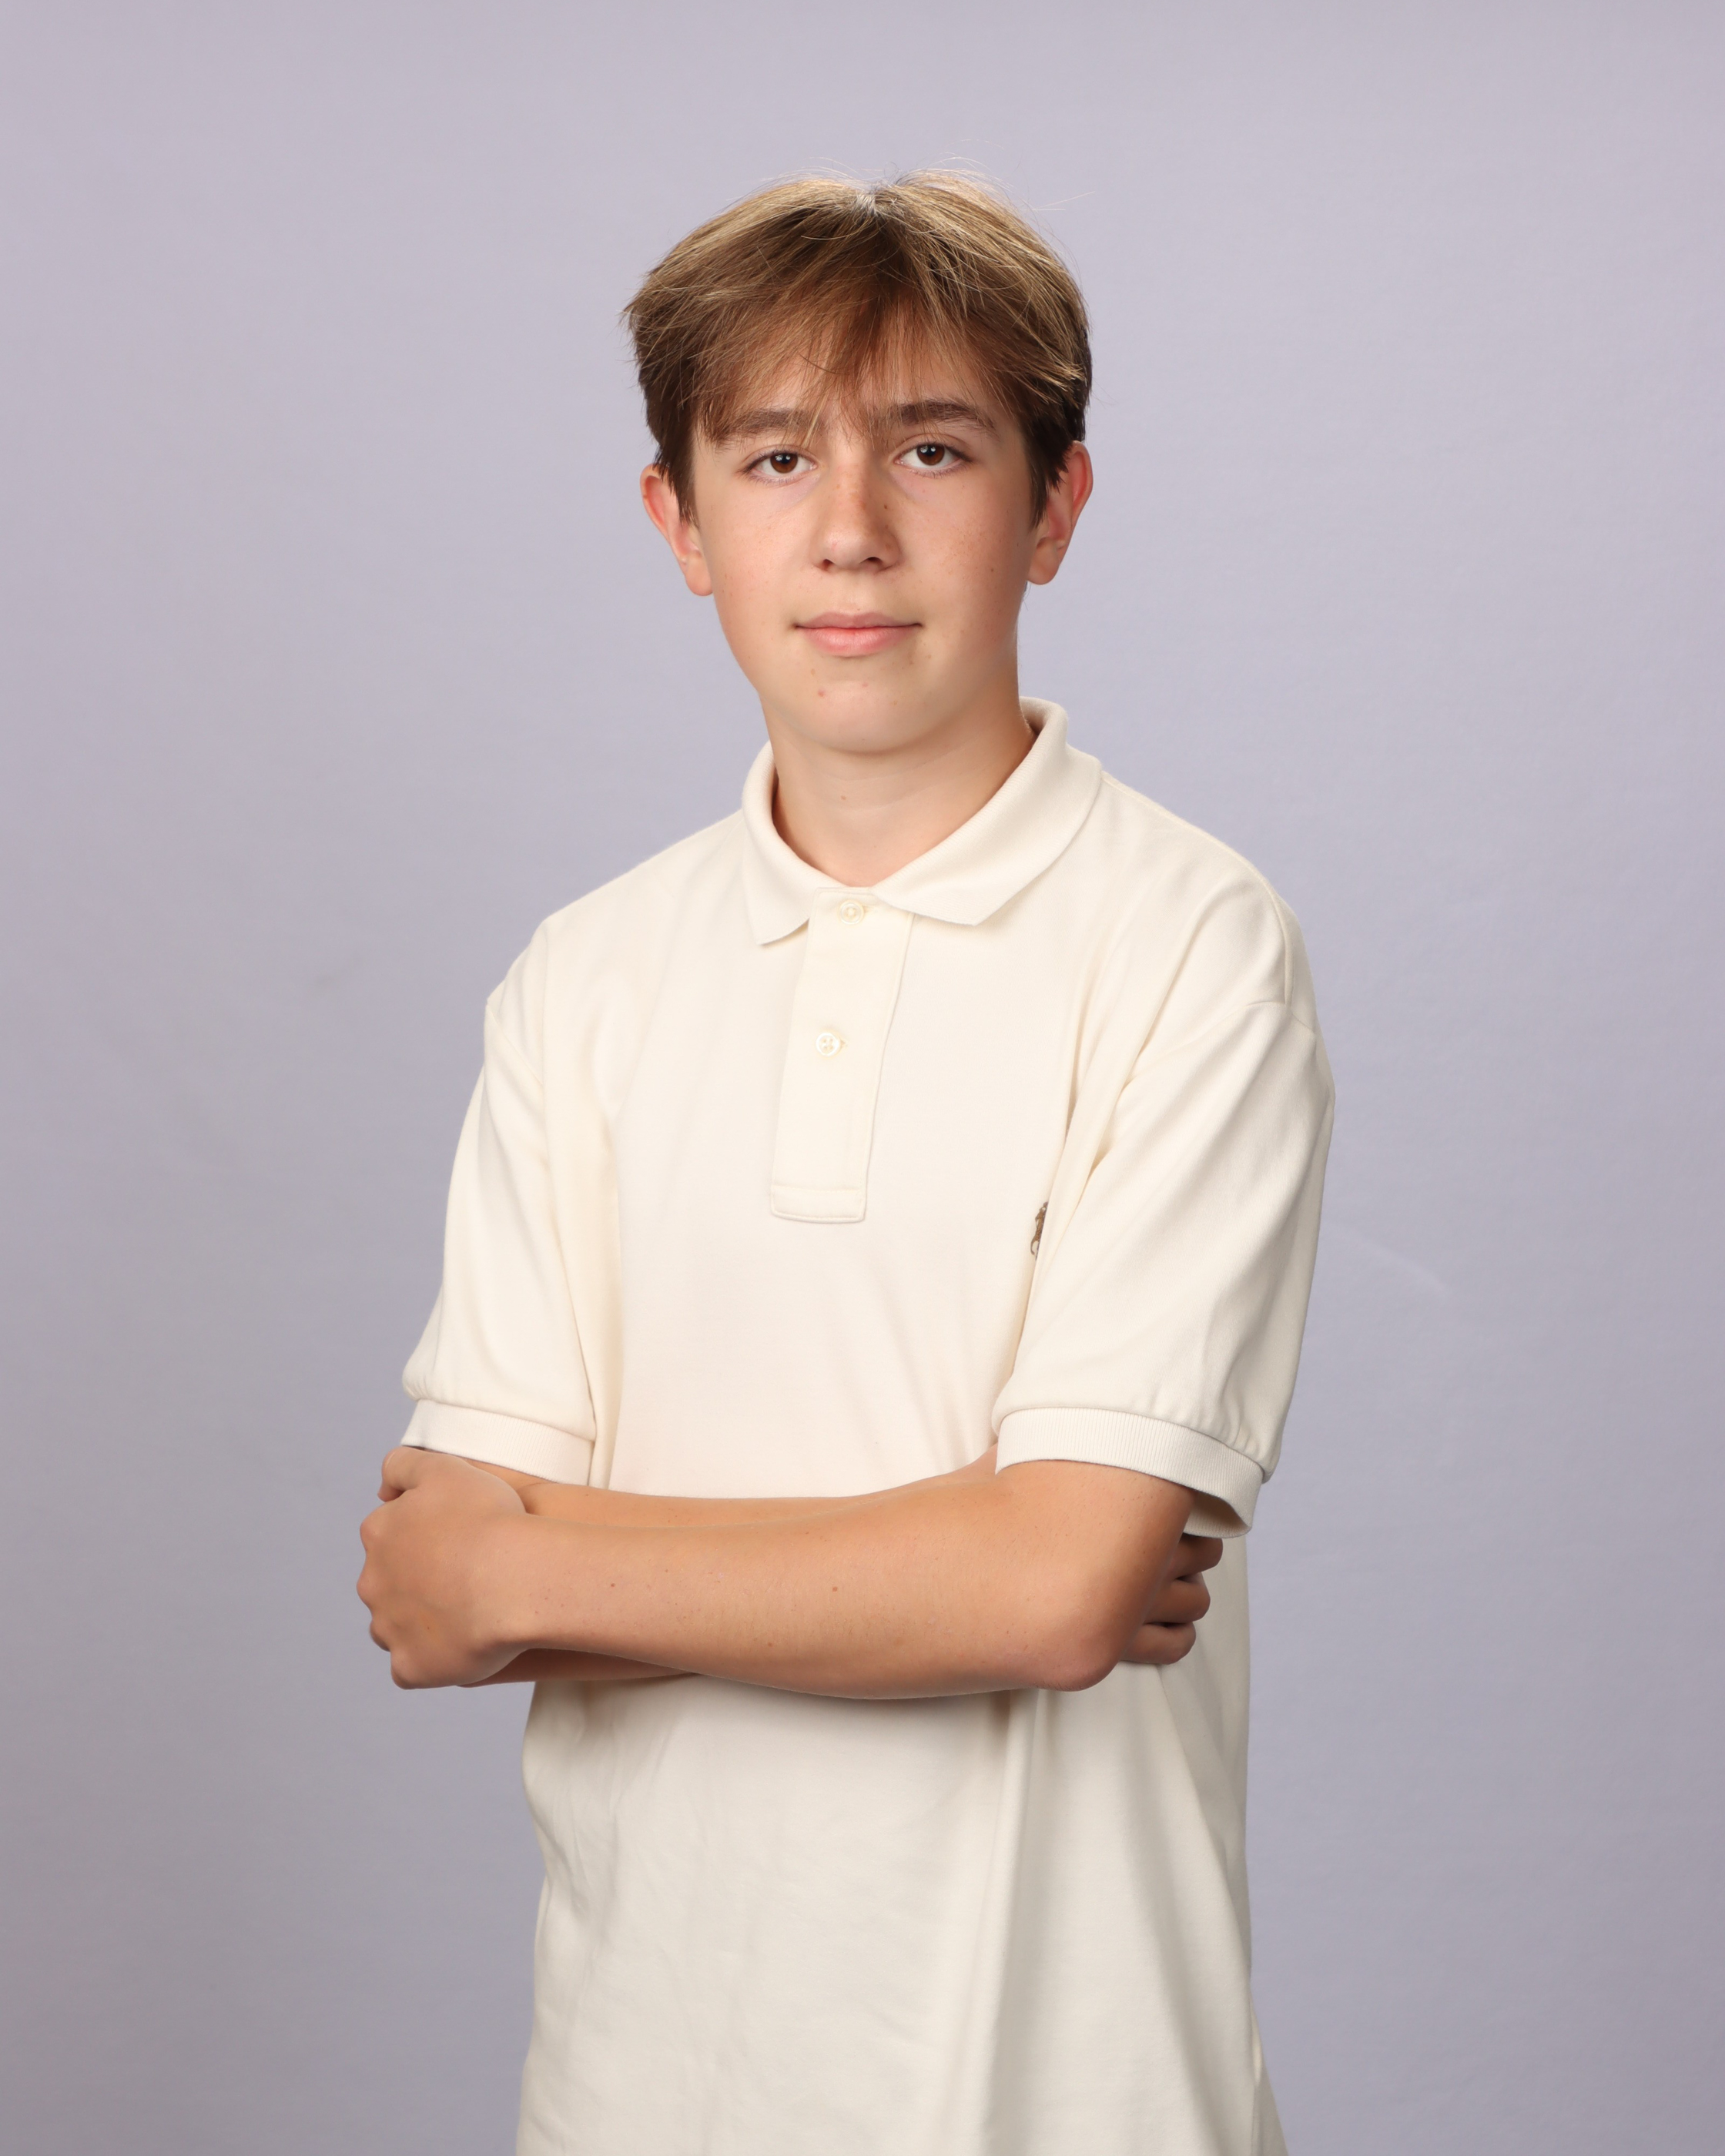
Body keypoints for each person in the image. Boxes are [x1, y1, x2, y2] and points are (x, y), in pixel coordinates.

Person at [358, 171, 1334, 2156]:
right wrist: (970, 1554)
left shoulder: (1189, 944)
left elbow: (1056, 1595)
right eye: (777, 454)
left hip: (1072, 2095)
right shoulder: (585, 983)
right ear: (681, 522)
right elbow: (441, 1598)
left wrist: (561, 1560)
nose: (852, 528)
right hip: (640, 2090)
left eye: (936, 449)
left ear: (1055, 507)